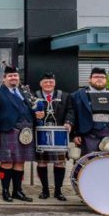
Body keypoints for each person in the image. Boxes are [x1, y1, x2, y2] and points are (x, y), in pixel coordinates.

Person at [0, 66, 41, 203]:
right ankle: (5, 191)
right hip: (8, 131)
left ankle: (17, 191)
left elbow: (33, 108)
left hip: (26, 133)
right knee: (7, 163)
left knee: (20, 163)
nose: (13, 78)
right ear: (4, 78)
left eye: (15, 76)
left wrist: (38, 115)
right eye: (10, 76)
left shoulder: (25, 92)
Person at [70, 67, 109, 156]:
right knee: (87, 165)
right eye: (96, 77)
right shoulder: (77, 96)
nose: (99, 79)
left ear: (106, 80)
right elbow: (72, 115)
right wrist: (74, 134)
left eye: (102, 77)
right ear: (90, 79)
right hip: (87, 136)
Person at [32, 72, 70, 201]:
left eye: (51, 82)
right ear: (40, 84)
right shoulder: (33, 96)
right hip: (41, 133)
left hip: (59, 132)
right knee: (42, 163)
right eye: (45, 82)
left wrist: (68, 122)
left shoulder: (64, 96)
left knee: (60, 163)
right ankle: (45, 190)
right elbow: (27, 111)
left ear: (54, 83)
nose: (48, 84)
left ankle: (58, 191)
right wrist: (34, 116)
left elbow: (71, 111)